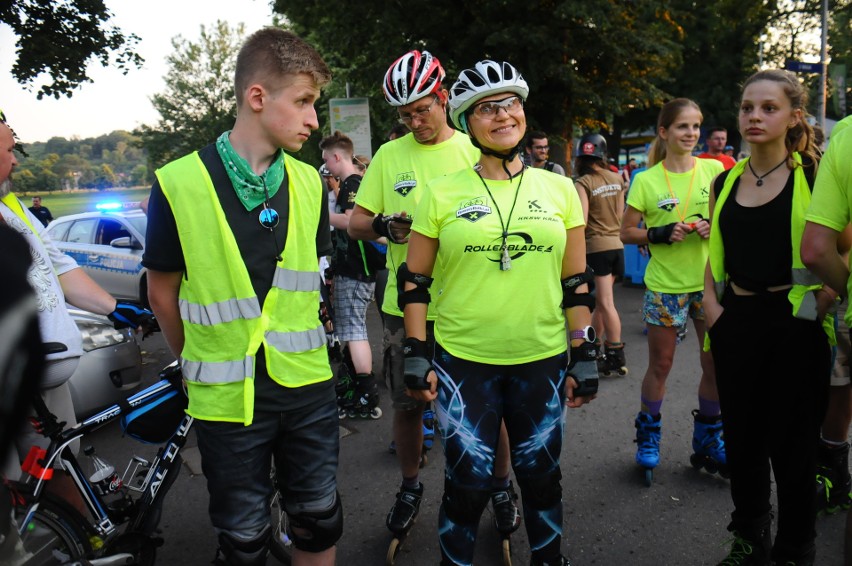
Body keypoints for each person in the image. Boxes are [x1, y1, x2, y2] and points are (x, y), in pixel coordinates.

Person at [143, 29, 340, 566]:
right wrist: (199, 359)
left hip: (307, 390)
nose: (313, 120)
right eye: (302, 102)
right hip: (228, 405)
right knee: (244, 541)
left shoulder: (308, 183)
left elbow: (312, 284)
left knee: (319, 522)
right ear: (258, 98)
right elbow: (161, 293)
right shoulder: (178, 183)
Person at [402, 59, 596, 566]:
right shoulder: (441, 193)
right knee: (466, 482)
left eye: (511, 103)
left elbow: (575, 283)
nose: (503, 115)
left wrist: (584, 350)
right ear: (468, 121)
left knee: (541, 478)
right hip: (465, 361)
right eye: (488, 108)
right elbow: (415, 281)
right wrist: (416, 351)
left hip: (542, 358)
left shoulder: (560, 190)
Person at [347, 49, 519, 546]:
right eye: (404, 115)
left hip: (471, 301)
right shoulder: (388, 155)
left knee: (491, 407)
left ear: (444, 98)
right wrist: (383, 225)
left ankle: (502, 488)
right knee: (408, 405)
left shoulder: (474, 147)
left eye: (422, 109)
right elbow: (359, 222)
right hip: (405, 306)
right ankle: (409, 486)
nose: (414, 121)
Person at [707, 69, 835, 566]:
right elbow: (713, 255)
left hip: (796, 325)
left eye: (768, 108)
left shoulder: (813, 177)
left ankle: (795, 548)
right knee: (742, 442)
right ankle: (749, 538)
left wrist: (826, 296)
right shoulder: (725, 180)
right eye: (747, 107)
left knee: (793, 447)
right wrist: (713, 309)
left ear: (794, 117)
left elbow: (838, 244)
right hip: (736, 320)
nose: (754, 116)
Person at [0, 115, 156, 511]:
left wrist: (115, 308)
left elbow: (60, 266)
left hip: (47, 376)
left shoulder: (13, 210)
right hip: (12, 375)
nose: (15, 161)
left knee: (60, 464)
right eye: (7, 151)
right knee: (20, 480)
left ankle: (81, 542)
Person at [619, 98, 727, 482]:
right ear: (664, 132)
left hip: (708, 286)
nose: (692, 134)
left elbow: (728, 219)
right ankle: (648, 437)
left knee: (714, 364)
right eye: (683, 127)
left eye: (696, 127)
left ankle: (709, 440)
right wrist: (659, 233)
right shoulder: (646, 179)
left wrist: (711, 225)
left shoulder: (714, 169)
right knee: (661, 366)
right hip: (666, 288)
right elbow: (626, 232)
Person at [802, 114, 852, 564]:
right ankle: (833, 476)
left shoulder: (847, 137)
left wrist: (840, 286)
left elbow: (823, 246)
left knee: (839, 391)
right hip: (824, 308)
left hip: (841, 306)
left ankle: (833, 477)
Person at [320, 130, 381, 419]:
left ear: (336, 157)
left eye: (326, 161)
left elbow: (349, 220)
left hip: (357, 268)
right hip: (352, 267)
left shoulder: (352, 183)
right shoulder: (352, 182)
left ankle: (366, 392)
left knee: (354, 331)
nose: (326, 168)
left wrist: (316, 216)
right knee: (351, 330)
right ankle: (358, 386)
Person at [574, 132, 628, 376]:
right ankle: (594, 347)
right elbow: (620, 213)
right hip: (617, 246)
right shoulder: (616, 178)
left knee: (606, 303)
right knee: (601, 304)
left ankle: (615, 354)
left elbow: (582, 220)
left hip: (597, 248)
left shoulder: (582, 183)